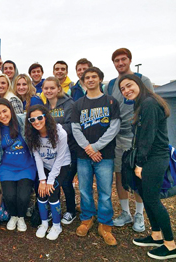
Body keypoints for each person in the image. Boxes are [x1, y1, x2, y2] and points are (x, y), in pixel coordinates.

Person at [119, 74, 176, 260]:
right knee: (145, 195)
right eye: (123, 89)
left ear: (139, 85)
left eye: (129, 86)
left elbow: (148, 137)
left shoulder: (150, 103)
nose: (127, 91)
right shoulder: (141, 103)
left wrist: (140, 164)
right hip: (148, 157)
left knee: (152, 200)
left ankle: (170, 245)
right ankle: (157, 236)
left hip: (154, 158)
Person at [71, 67, 120, 246]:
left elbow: (114, 128)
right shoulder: (78, 104)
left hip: (105, 155)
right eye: (87, 77)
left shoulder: (111, 101)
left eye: (94, 77)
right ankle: (86, 219)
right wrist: (88, 148)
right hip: (84, 156)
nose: (90, 80)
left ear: (100, 79)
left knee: (105, 192)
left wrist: (96, 147)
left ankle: (105, 224)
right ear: (83, 81)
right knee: (84, 189)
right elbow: (75, 128)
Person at [106, 48, 154, 232]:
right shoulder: (110, 85)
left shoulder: (142, 80)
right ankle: (125, 212)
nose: (120, 63)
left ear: (130, 60)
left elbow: (151, 104)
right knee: (120, 175)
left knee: (138, 176)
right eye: (116, 60)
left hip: (137, 136)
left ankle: (139, 214)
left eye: (123, 59)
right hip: (118, 137)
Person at [25, 105, 71, 240]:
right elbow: (38, 157)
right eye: (32, 120)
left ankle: (57, 225)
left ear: (46, 117)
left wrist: (50, 181)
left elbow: (60, 158)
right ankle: (44, 223)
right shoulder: (32, 135)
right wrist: (42, 180)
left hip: (61, 165)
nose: (36, 122)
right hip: (45, 165)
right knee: (41, 191)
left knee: (52, 191)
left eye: (39, 118)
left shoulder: (60, 133)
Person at [0, 98, 36, 232]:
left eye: (5, 111)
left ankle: (21, 217)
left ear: (11, 110)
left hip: (26, 166)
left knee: (23, 196)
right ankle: (13, 216)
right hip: (7, 167)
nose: (2, 115)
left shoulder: (22, 121)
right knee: (9, 196)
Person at [42, 76, 77, 224]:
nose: (49, 91)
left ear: (58, 89)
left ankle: (71, 210)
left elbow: (72, 125)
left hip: (69, 149)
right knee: (53, 182)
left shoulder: (69, 104)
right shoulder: (45, 107)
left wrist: (53, 131)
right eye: (46, 88)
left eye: (52, 88)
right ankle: (53, 207)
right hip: (52, 152)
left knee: (66, 181)